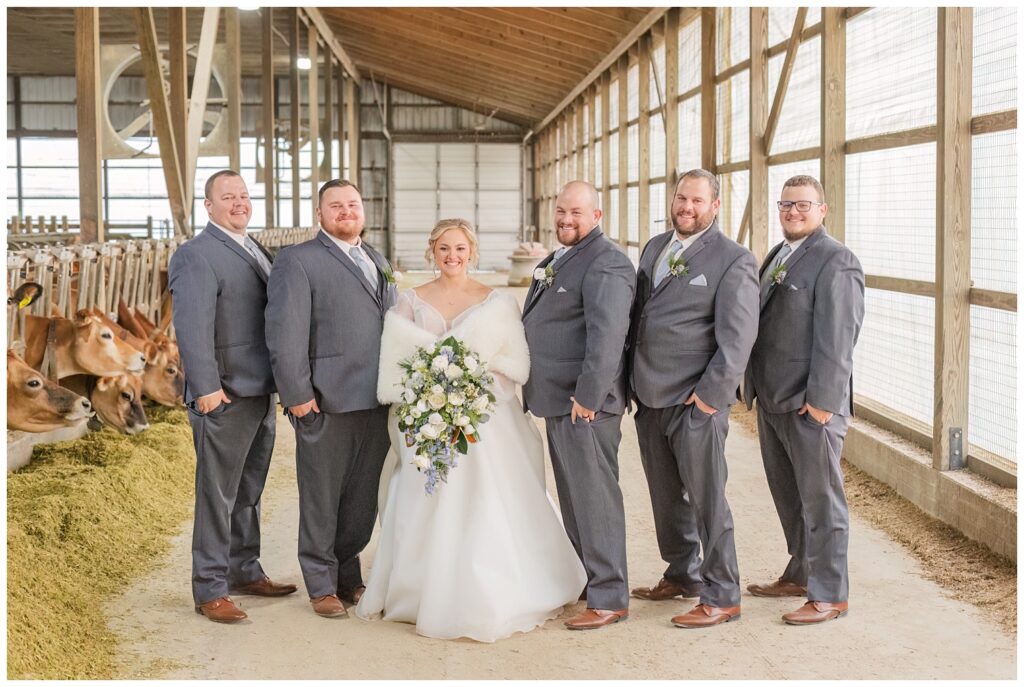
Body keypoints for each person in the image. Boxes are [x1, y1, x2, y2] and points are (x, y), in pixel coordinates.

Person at [356, 218, 586, 642]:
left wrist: (468, 387)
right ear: (432, 251)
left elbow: (515, 364)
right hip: (427, 422)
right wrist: (427, 398)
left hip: (484, 422)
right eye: (444, 248)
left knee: (489, 502)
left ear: (472, 252)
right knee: (427, 499)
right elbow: (393, 370)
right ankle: (422, 590)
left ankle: (493, 587)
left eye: (460, 249)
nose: (452, 256)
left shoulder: (496, 302)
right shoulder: (409, 303)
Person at [628, 168, 759, 629]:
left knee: (707, 499)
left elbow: (738, 340)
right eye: (681, 198)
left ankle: (723, 593)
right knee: (665, 496)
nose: (686, 207)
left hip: (694, 401)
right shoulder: (654, 248)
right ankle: (682, 572)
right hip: (648, 395)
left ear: (715, 206)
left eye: (697, 201)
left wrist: (708, 400)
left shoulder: (734, 259)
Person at [264, 179, 396, 619]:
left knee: (361, 498)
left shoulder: (377, 259)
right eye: (335, 205)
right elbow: (285, 334)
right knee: (322, 496)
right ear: (319, 214)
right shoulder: (297, 261)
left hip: (376, 399)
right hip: (325, 400)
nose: (345, 211)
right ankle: (321, 584)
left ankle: (348, 576)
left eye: (353, 204)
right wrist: (297, 394)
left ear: (364, 210)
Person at [169, 170, 296, 624]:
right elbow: (191, 327)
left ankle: (244, 569)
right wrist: (206, 389)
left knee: (249, 488)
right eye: (228, 196)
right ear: (209, 206)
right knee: (217, 493)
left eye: (244, 195)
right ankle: (209, 588)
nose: (239, 203)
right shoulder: (196, 255)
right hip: (223, 393)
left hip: (259, 390)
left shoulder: (254, 248)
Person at [743, 174, 865, 625]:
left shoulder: (837, 261)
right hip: (774, 400)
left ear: (822, 209)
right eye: (786, 205)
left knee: (822, 500)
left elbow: (839, 339)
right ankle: (801, 572)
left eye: (802, 205)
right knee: (789, 496)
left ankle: (830, 594)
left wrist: (822, 403)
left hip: (809, 405)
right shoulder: (778, 255)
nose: (792, 212)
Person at [521, 181, 636, 631]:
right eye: (562, 211)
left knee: (595, 499)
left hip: (583, 404)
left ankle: (610, 596)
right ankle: (592, 578)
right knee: (573, 498)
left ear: (597, 216)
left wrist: (588, 397)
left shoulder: (607, 263)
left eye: (577, 213)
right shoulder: (558, 258)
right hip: (557, 399)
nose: (567, 220)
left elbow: (607, 339)